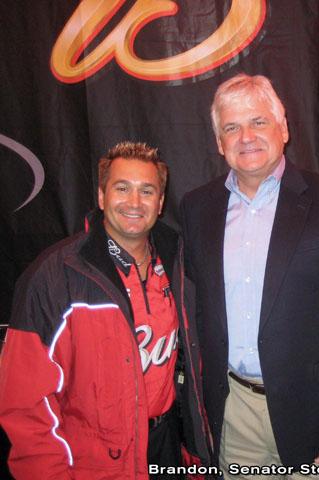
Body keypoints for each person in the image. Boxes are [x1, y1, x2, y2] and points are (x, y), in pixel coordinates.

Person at [180, 73, 319, 478]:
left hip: (317, 415)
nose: (246, 137)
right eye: (232, 128)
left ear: (283, 128)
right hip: (234, 411)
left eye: (258, 122)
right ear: (219, 142)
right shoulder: (196, 208)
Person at [0, 142, 213, 479]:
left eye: (147, 191)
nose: (134, 202)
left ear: (160, 203)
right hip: (94, 462)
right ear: (101, 197)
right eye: (122, 188)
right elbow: (25, 404)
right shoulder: (54, 277)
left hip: (168, 447)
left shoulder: (180, 263)